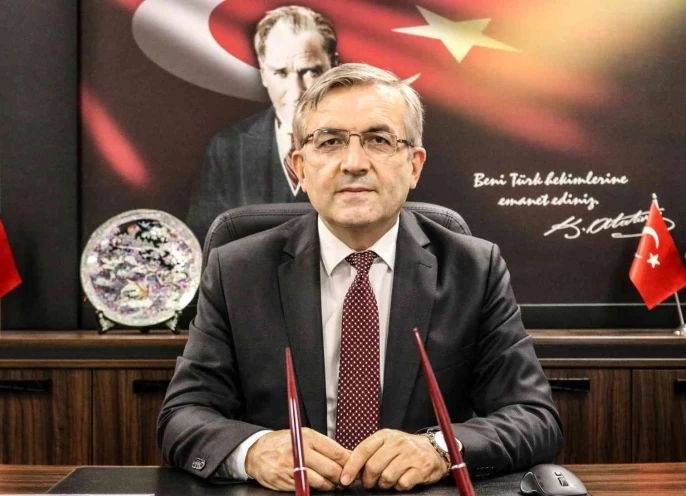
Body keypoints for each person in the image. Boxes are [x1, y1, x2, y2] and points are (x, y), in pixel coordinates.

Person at [160, 63, 562, 491]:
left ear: (414, 165)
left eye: (379, 140)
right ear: (299, 166)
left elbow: (534, 417)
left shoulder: (474, 269)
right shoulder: (237, 270)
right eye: (330, 141)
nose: (354, 163)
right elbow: (183, 415)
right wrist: (255, 450)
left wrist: (440, 448)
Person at [185, 6, 338, 242]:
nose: (296, 91)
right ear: (264, 73)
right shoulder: (228, 148)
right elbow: (204, 242)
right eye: (280, 73)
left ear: (333, 68)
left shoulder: (368, 144)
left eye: (310, 71)